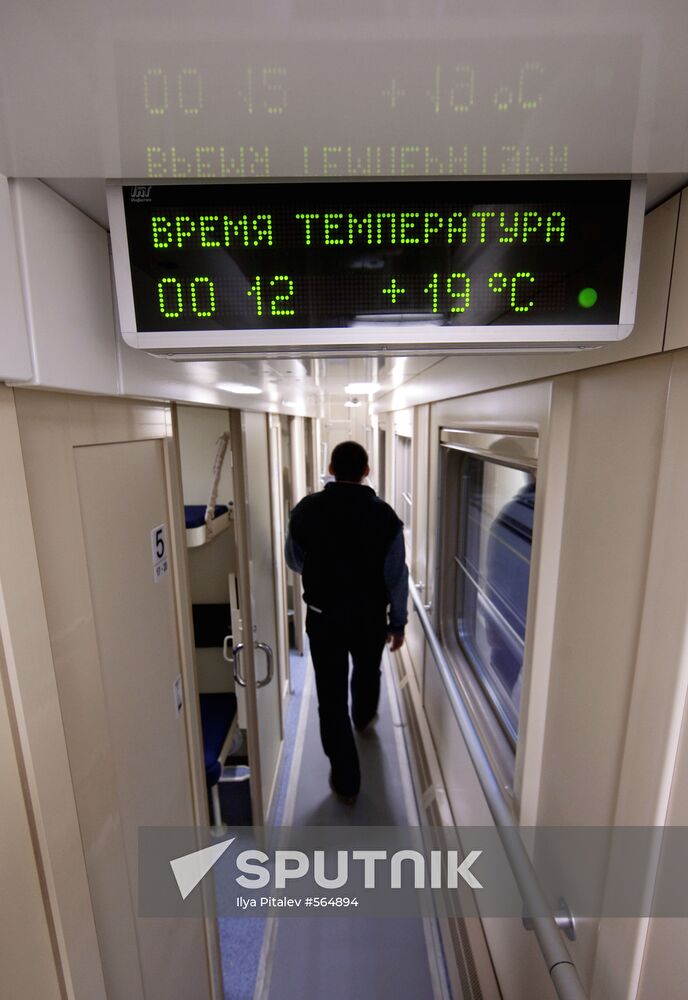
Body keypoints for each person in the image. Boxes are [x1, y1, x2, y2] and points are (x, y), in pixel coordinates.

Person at [285, 441, 409, 803]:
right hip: (370, 619)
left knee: (330, 695)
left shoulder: (306, 511)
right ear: (367, 470)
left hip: (324, 620)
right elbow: (396, 577)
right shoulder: (386, 517)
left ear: (330, 468)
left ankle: (346, 778)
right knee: (368, 671)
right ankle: (365, 716)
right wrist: (397, 623)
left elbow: (295, 561)